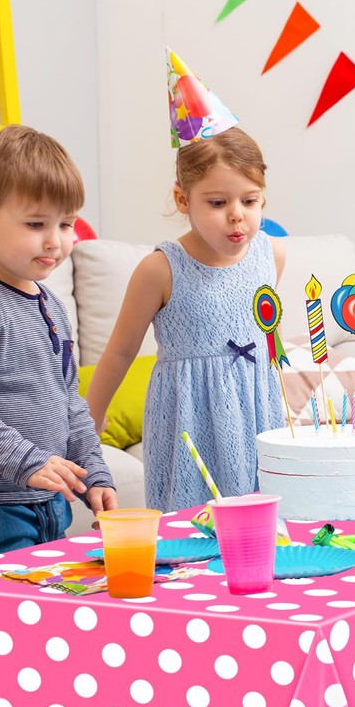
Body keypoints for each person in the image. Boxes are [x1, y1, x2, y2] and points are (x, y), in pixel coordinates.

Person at [0, 124, 118, 561]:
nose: (56, 240)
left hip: (46, 500)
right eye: (36, 223)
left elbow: (69, 401)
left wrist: (95, 476)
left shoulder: (50, 304)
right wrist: (28, 462)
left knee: (42, 615)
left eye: (66, 223)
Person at [86, 126, 286, 511]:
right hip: (191, 415)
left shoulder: (272, 255)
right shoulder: (160, 270)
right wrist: (88, 420)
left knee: (264, 520)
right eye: (216, 203)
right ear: (182, 199)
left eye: (250, 200)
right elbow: (120, 351)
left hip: (259, 410)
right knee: (193, 523)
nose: (236, 216)